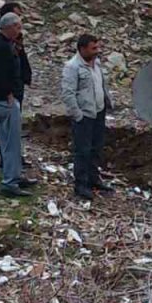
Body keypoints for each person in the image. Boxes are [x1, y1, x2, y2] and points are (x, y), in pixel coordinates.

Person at [0, 13, 37, 197]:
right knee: (11, 142)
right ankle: (10, 182)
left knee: (7, 139)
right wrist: (8, 94)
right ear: (10, 27)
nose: (20, 31)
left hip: (1, 98)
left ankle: (12, 175)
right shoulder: (1, 48)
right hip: (6, 100)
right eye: (18, 27)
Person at [61, 34, 114, 201]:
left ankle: (93, 178)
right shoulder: (72, 67)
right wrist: (78, 115)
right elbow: (68, 94)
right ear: (82, 49)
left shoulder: (96, 63)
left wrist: (107, 103)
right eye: (93, 48)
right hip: (84, 116)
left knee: (96, 148)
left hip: (98, 112)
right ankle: (81, 185)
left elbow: (101, 85)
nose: (97, 51)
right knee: (82, 151)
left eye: (97, 47)